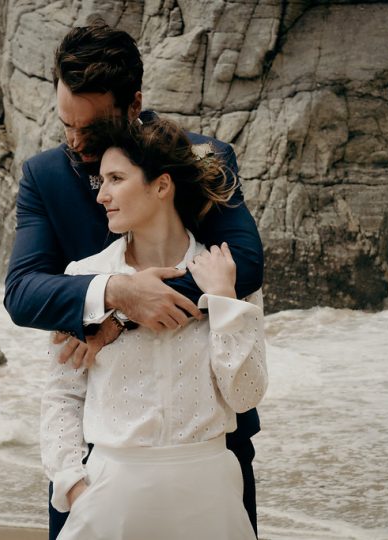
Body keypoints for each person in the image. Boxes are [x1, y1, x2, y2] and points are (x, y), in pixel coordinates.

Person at [3, 19, 264, 539]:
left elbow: (244, 263)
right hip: (94, 456)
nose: (76, 144)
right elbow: (23, 292)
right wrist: (114, 292)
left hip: (207, 446)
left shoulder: (199, 159)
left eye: (90, 129)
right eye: (65, 125)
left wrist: (122, 317)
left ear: (133, 102)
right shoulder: (45, 176)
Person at [40, 117, 267, 539]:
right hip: (112, 492)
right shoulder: (84, 278)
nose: (102, 195)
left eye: (116, 179)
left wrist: (223, 300)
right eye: (101, 181)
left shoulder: (224, 274)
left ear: (161, 186)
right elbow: (61, 395)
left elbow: (246, 394)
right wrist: (75, 487)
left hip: (210, 491)